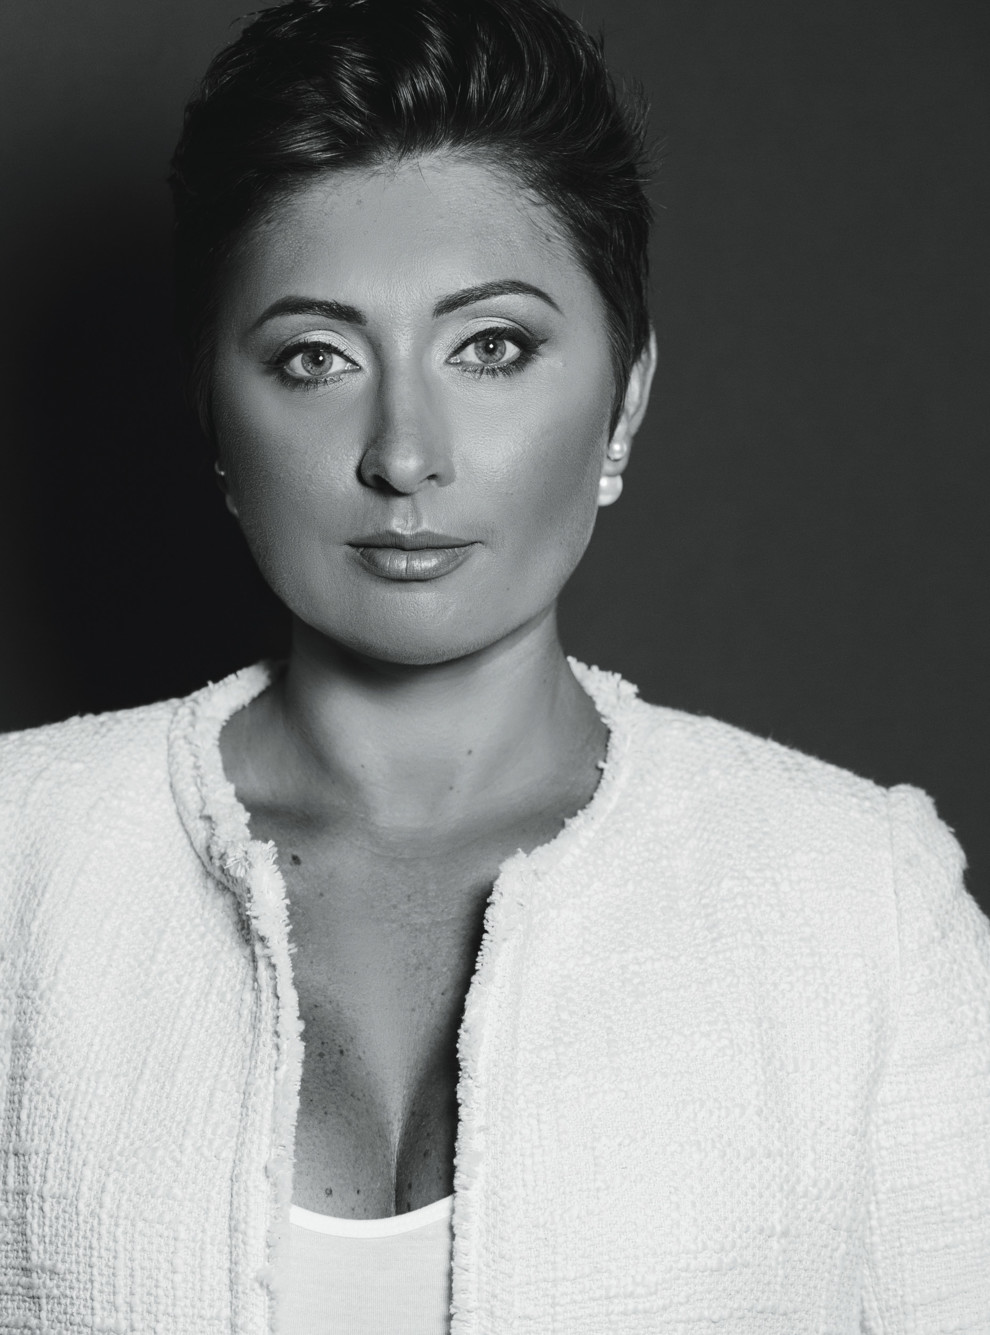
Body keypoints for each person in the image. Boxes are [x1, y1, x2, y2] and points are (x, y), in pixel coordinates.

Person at [1, 0, 988, 1330]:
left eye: (492, 348)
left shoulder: (858, 903)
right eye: (315, 358)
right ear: (214, 421)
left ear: (624, 396)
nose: (405, 453)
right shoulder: (23, 860)